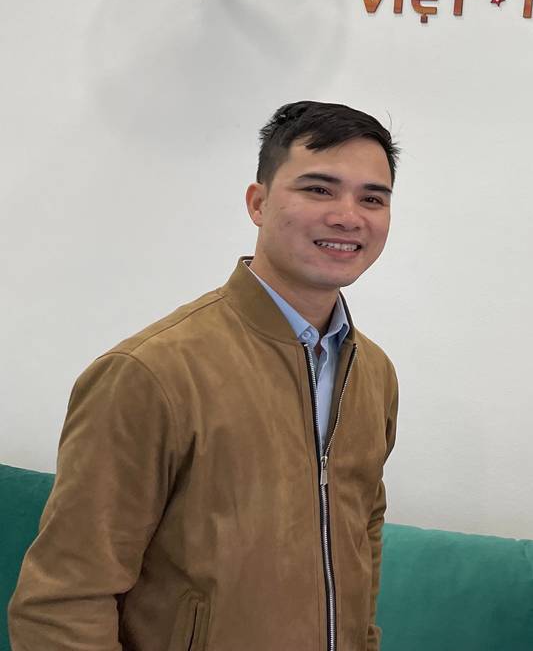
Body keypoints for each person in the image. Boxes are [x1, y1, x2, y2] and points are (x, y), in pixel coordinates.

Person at [10, 101, 402, 651]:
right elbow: (62, 601)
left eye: (372, 198)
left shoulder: (374, 373)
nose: (348, 216)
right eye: (319, 189)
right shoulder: (150, 373)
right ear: (258, 203)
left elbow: (364, 538)